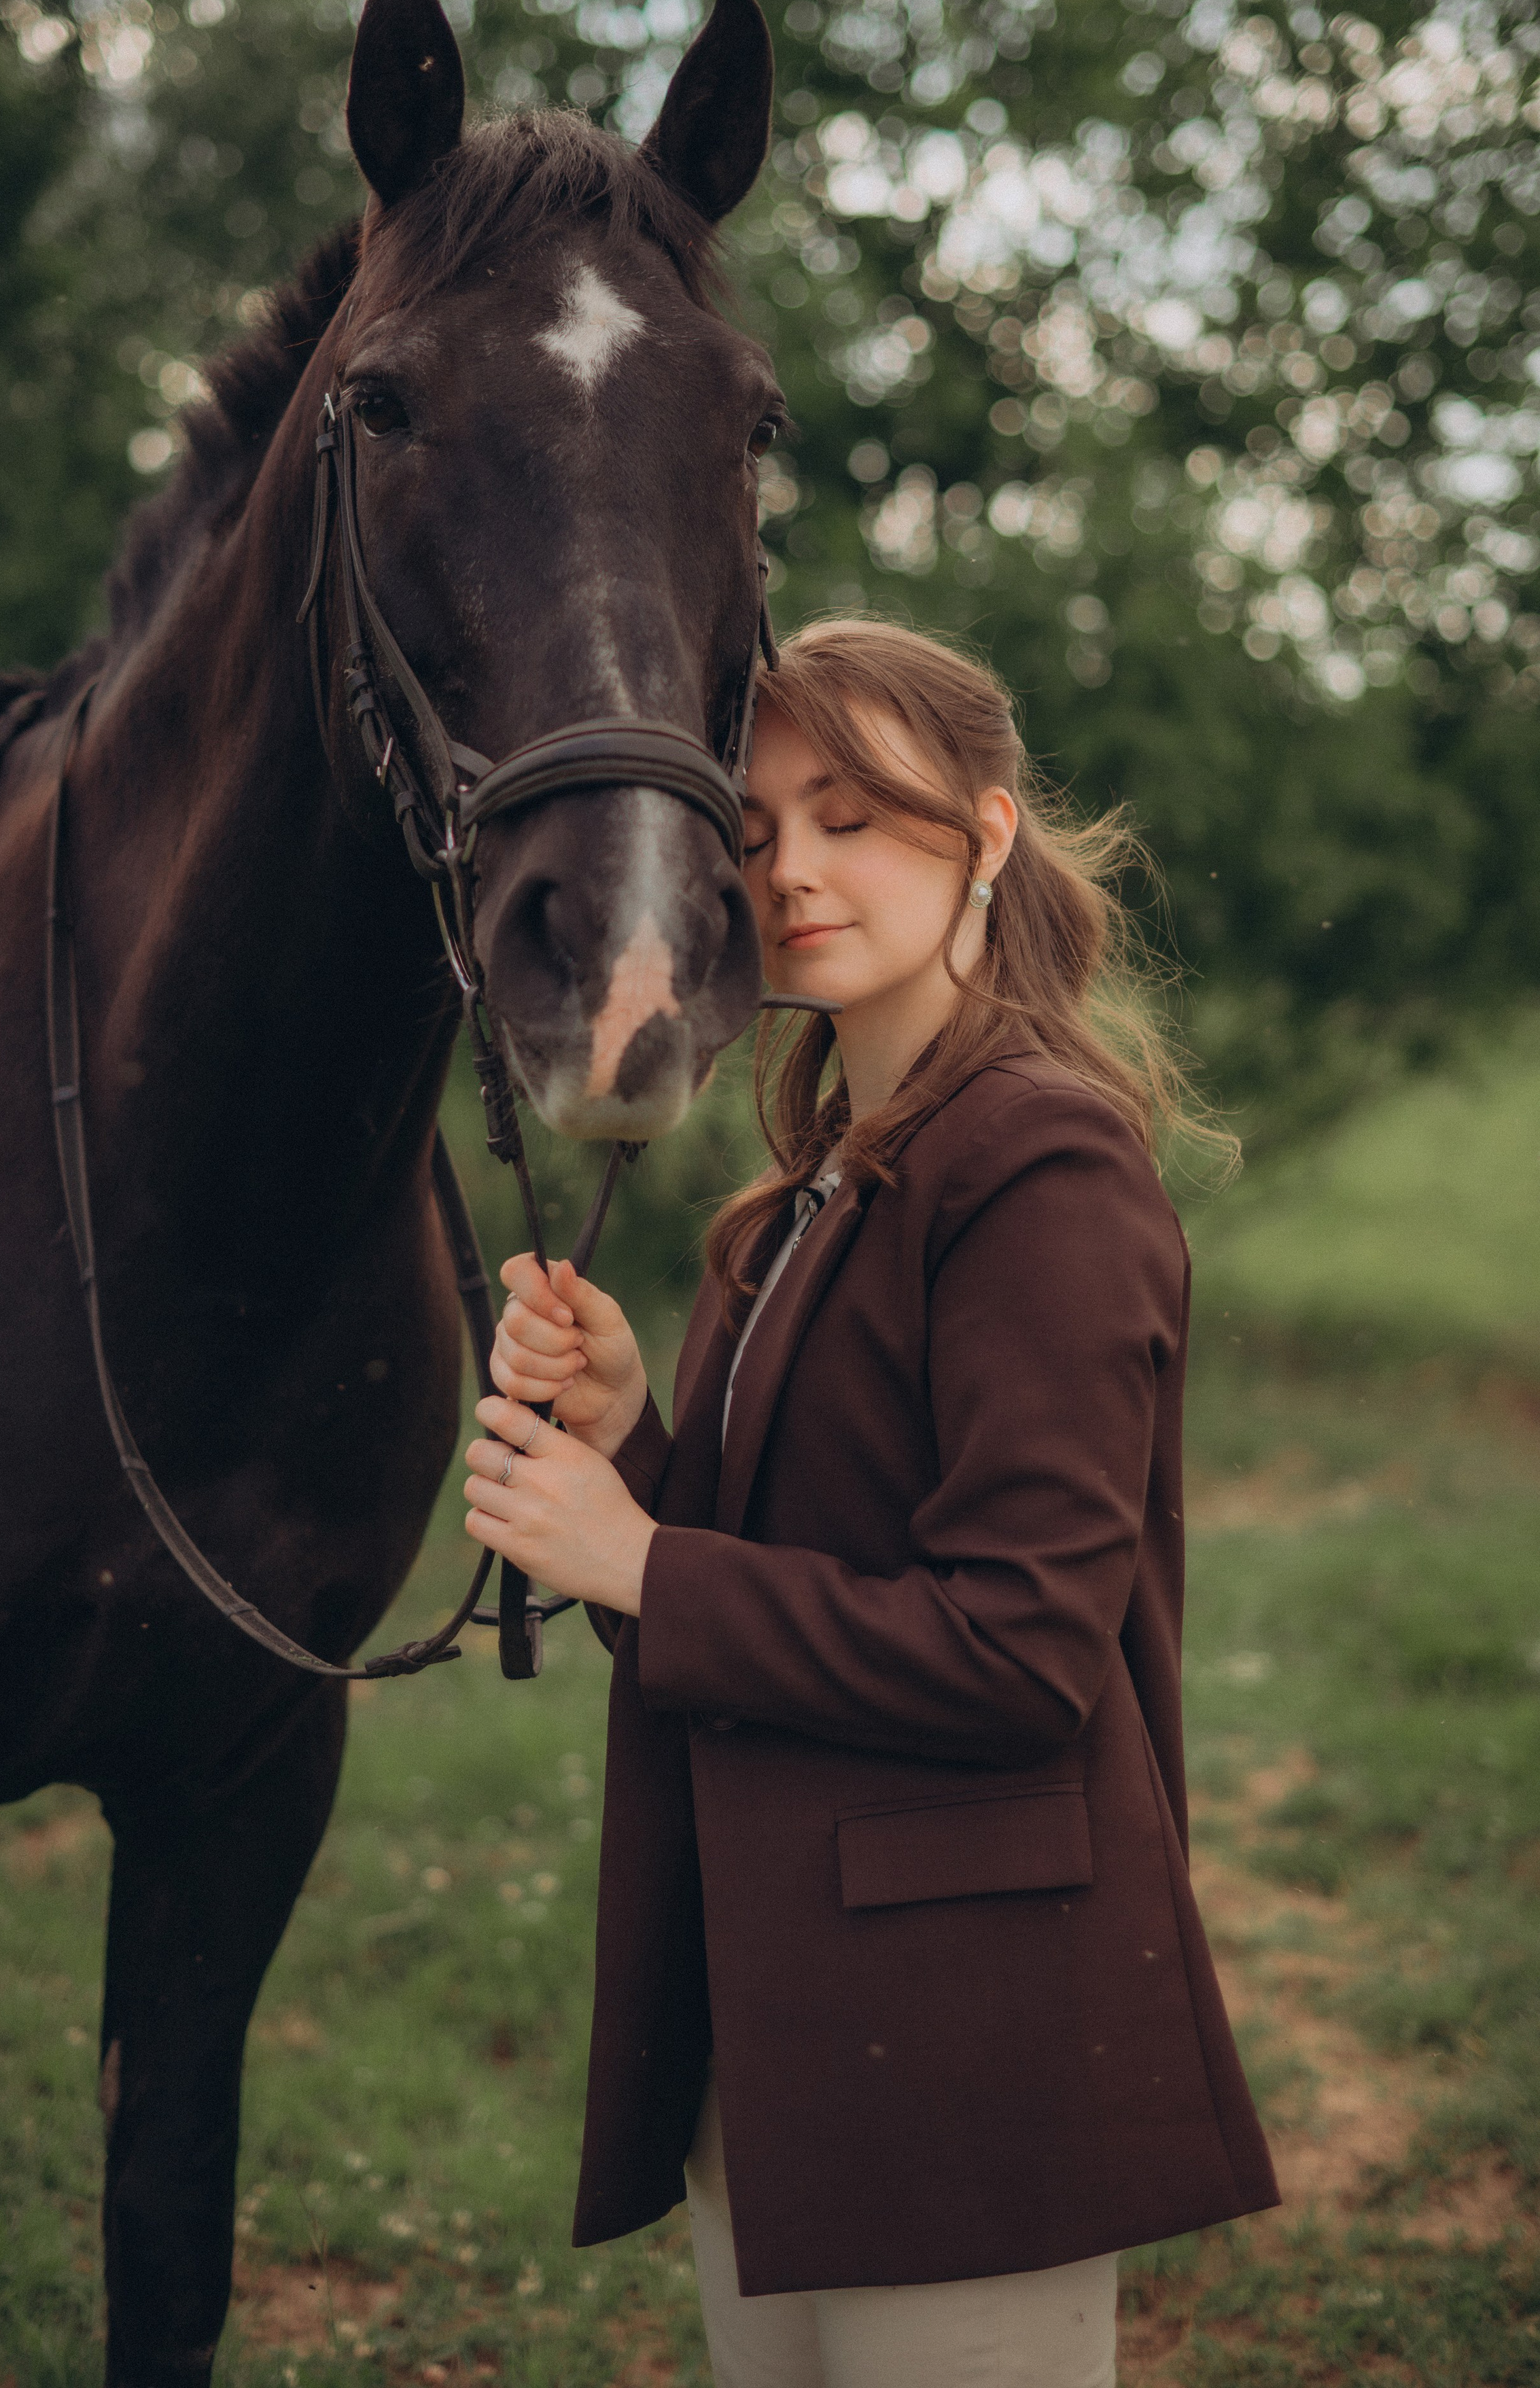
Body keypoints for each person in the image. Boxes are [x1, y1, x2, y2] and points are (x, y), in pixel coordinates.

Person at [461, 618, 1278, 2388]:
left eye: (849, 815)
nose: (791, 871)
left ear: (987, 831)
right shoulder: (806, 1189)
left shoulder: (1041, 1160)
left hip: (969, 2042)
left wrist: (641, 1558)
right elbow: (788, 1578)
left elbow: (1019, 1652)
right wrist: (633, 1442)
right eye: (753, 832)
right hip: (780, 2015)